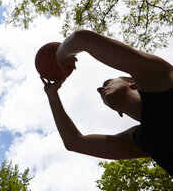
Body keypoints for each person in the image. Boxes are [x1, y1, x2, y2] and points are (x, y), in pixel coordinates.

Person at [40, 29, 173, 177]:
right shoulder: (141, 140)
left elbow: (81, 39)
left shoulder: (162, 77)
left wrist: (60, 54)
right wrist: (52, 94)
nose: (99, 89)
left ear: (133, 83)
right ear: (119, 112)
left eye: (108, 82)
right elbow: (74, 142)